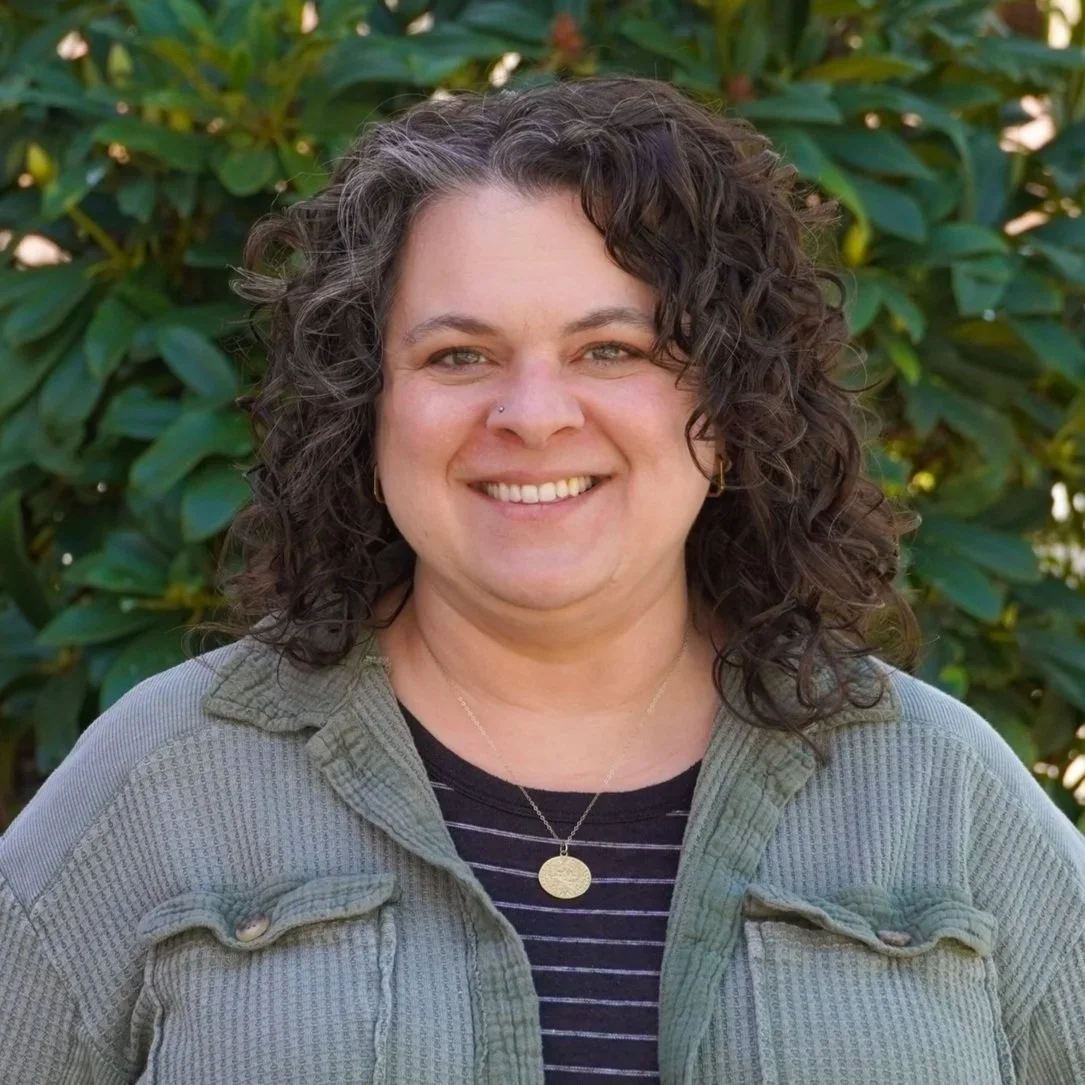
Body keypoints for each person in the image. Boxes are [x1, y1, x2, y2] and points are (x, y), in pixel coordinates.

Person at [1, 74, 1082, 1085]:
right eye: (457, 356)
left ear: (734, 404)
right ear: (364, 407)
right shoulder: (166, 784)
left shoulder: (936, 791)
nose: (531, 414)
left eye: (610, 349)